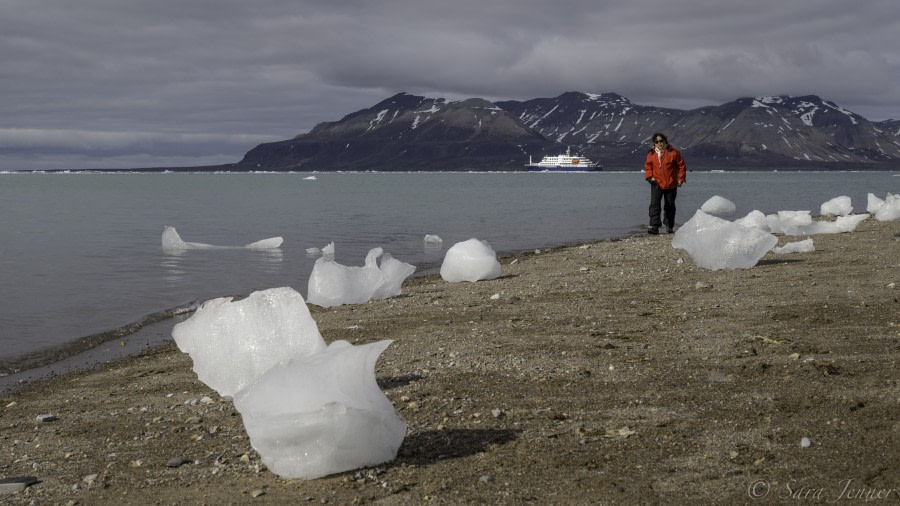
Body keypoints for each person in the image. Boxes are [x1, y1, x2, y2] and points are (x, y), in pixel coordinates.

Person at [644, 132, 687, 235]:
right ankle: (654, 227)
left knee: (670, 206)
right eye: (657, 142)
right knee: (654, 205)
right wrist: (650, 177)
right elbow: (648, 167)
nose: (659, 143)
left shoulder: (674, 152)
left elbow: (682, 166)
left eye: (661, 141)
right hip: (656, 184)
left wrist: (681, 179)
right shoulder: (651, 154)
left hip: (671, 184)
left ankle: (669, 226)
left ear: (665, 141)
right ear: (654, 143)